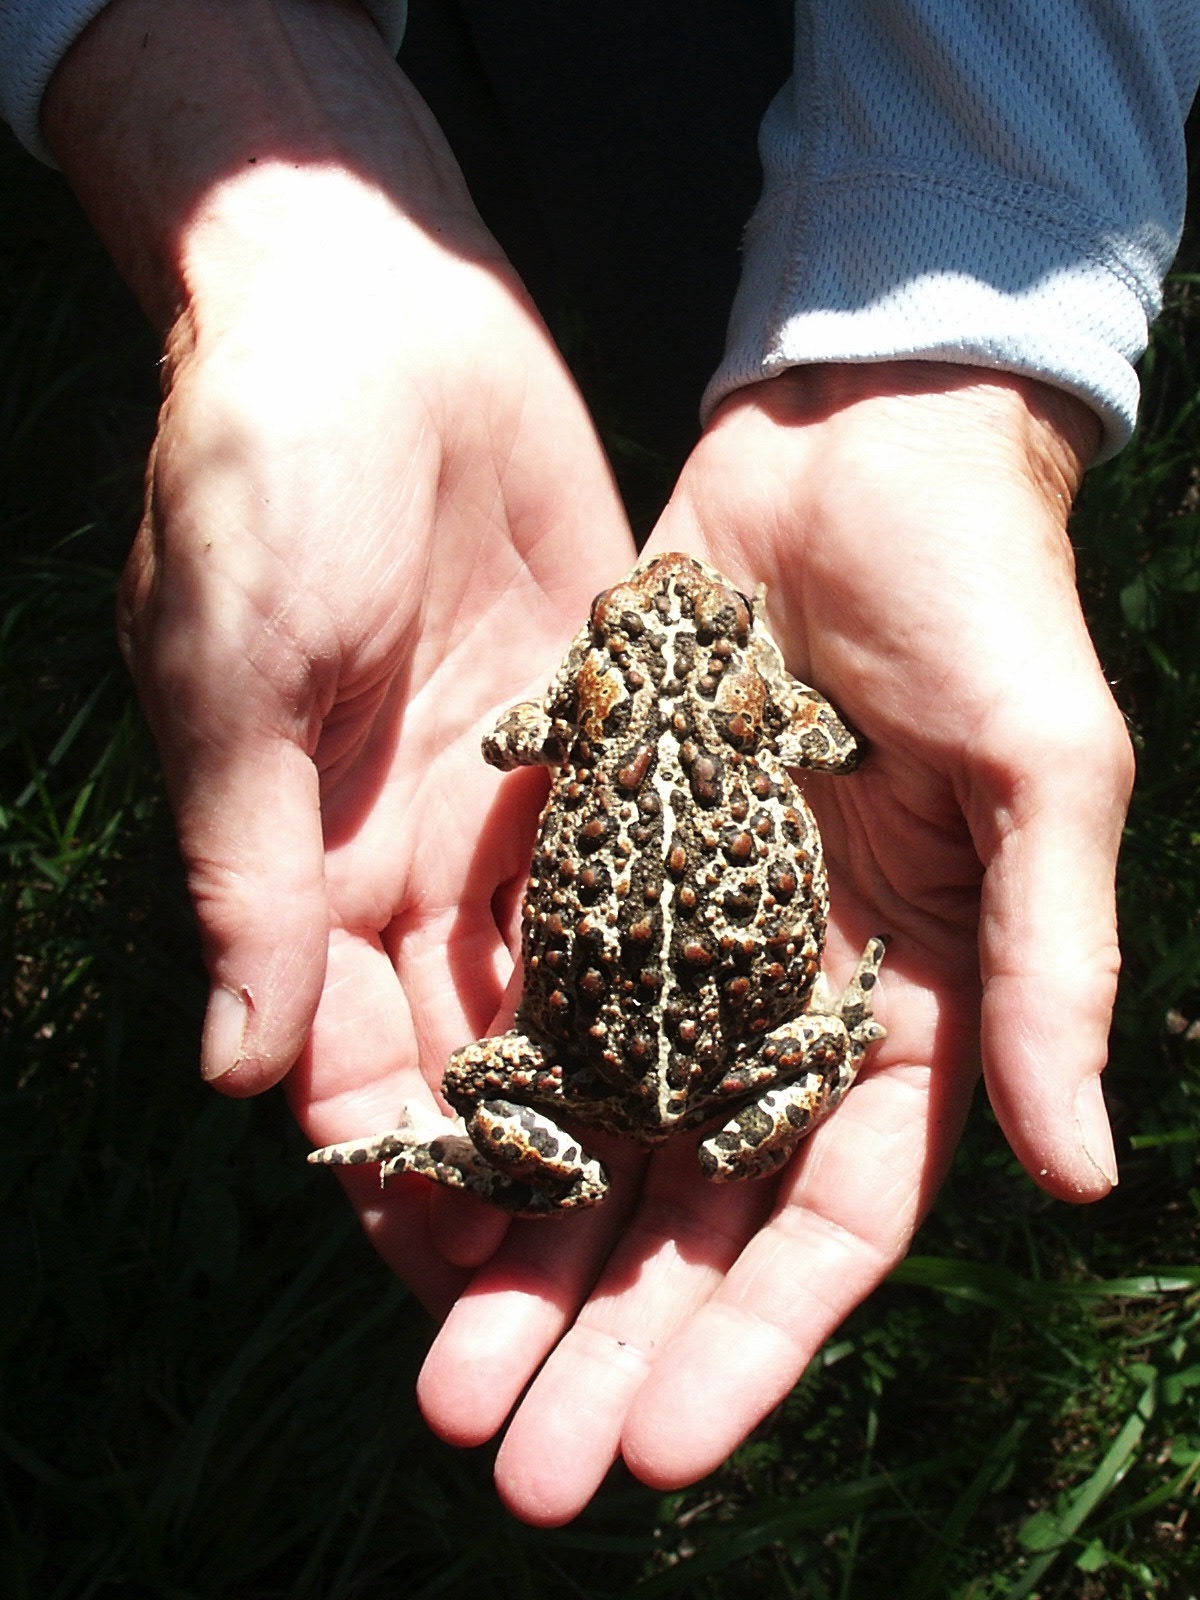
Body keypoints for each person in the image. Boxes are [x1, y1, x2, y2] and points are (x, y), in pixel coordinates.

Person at [3, 0, 1196, 1526]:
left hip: (576, 1048)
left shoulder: (577, 719)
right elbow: (820, 734)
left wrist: (939, 361)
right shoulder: (784, 722)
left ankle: (481, 1140)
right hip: (719, 1043)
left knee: (659, 214)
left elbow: (517, 736)